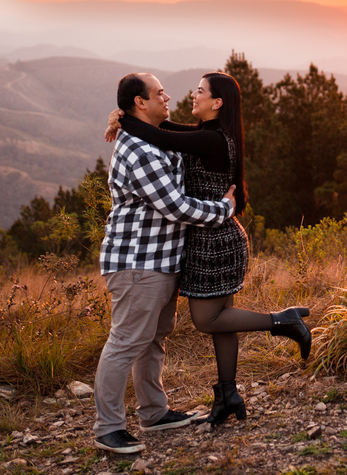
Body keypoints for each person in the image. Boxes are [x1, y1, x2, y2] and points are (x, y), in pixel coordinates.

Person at [106, 71, 311, 426]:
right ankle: (227, 394)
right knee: (222, 322)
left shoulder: (214, 141)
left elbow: (157, 134)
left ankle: (282, 321)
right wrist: (123, 116)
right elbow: (166, 131)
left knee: (208, 319)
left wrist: (123, 117)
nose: (191, 95)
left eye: (200, 91)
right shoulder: (209, 134)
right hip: (213, 235)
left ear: (217, 103)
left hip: (214, 240)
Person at [93, 72, 239, 455]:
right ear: (140, 102)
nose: (167, 96)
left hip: (161, 261)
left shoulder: (149, 138)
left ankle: (153, 414)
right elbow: (175, 205)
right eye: (159, 93)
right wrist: (223, 209)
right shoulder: (137, 150)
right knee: (126, 342)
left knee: (151, 341)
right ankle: (107, 428)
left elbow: (177, 136)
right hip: (137, 262)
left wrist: (119, 117)